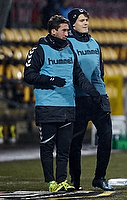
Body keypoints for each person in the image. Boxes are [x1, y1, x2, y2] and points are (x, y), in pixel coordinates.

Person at [24, 15, 101, 192]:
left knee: (64, 149)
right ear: (53, 31)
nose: (68, 33)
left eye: (68, 30)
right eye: (64, 30)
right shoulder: (39, 50)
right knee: (48, 146)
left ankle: (62, 181)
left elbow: (79, 76)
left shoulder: (69, 49)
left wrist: (93, 92)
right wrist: (50, 79)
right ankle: (51, 182)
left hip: (68, 105)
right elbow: (28, 75)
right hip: (47, 106)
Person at [67, 8, 114, 191]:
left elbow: (98, 73)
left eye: (86, 19)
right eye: (81, 20)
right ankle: (76, 180)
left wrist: (101, 96)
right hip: (78, 98)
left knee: (106, 137)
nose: (85, 23)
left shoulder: (95, 43)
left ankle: (100, 177)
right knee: (75, 142)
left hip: (98, 96)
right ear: (73, 24)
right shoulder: (68, 44)